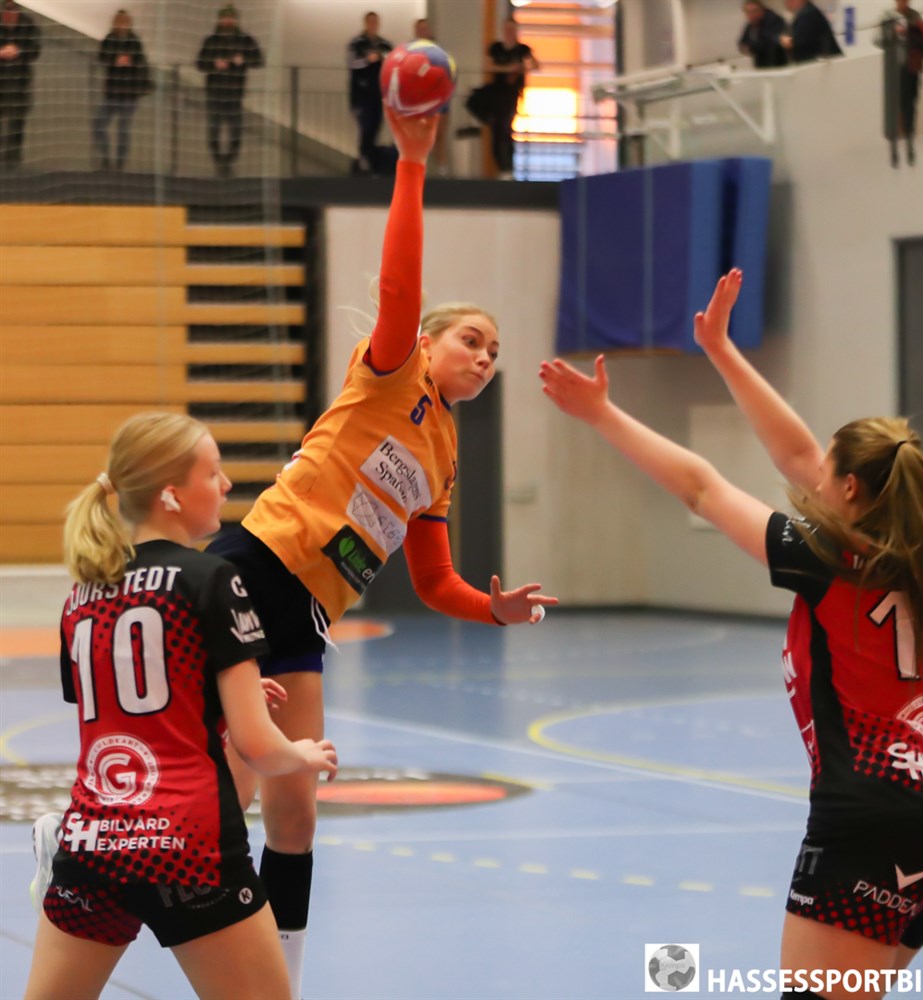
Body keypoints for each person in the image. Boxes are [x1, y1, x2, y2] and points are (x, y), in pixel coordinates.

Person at [540, 269, 923, 1000]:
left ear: (849, 489)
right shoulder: (919, 554)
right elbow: (799, 456)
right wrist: (720, 350)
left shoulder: (828, 559)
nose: (812, 474)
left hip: (870, 822)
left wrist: (602, 415)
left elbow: (702, 487)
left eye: (828, 472)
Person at [205, 108, 558, 997]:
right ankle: (91, 861)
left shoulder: (444, 458)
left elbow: (434, 582)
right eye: (471, 339)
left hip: (308, 612)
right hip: (255, 565)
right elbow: (399, 286)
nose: (485, 357)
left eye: (495, 352)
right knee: (236, 783)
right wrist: (410, 161)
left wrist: (494, 610)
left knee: (295, 809)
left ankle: (280, 975)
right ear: (429, 343)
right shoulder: (392, 370)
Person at [24, 412, 338, 1000]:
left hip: (94, 844)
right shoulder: (213, 579)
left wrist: (213, 698)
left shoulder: (83, 594)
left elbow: (127, 711)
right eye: (213, 473)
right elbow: (257, 747)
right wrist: (303, 753)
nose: (226, 485)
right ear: (171, 494)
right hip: (188, 852)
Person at [196, 4, 264, 178]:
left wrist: (244, 60)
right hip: (214, 92)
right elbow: (200, 63)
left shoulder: (245, 40)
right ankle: (219, 161)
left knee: (236, 131)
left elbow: (259, 60)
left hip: (235, 93)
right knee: (213, 130)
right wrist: (214, 63)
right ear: (220, 20)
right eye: (225, 18)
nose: (228, 21)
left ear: (235, 20)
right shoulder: (211, 40)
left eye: (231, 18)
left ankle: (229, 160)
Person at [876, 0, 923, 165]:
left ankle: (910, 133)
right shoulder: (887, 17)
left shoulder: (915, 16)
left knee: (911, 101)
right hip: (895, 67)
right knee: (898, 102)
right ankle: (898, 136)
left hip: (913, 65)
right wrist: (892, 34)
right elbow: (877, 39)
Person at [93, 9, 150, 172]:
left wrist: (130, 62)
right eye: (119, 22)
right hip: (111, 92)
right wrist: (115, 59)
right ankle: (105, 158)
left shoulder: (134, 41)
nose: (122, 25)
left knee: (123, 130)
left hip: (129, 93)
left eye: (124, 22)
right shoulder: (109, 39)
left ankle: (120, 164)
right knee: (99, 125)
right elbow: (102, 57)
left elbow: (141, 62)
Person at [484, 17, 539, 180]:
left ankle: (508, 166)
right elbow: (488, 66)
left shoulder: (522, 49)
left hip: (512, 95)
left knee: (506, 129)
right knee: (496, 131)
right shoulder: (496, 48)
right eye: (507, 29)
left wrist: (522, 68)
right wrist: (508, 68)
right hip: (496, 94)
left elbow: (535, 65)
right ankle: (500, 166)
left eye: (512, 29)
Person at [347, 10, 392, 175]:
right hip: (362, 94)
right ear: (365, 23)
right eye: (370, 22)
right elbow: (352, 63)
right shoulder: (357, 43)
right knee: (365, 127)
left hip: (379, 94)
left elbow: (392, 62)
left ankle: (371, 161)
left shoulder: (384, 44)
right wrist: (368, 59)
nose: (373, 25)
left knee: (375, 126)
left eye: (375, 22)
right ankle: (364, 158)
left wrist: (382, 58)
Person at [0, 0, 40, 170]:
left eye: (13, 11)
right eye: (7, 11)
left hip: (20, 82)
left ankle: (13, 161)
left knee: (17, 123)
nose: (10, 15)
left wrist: (19, 50)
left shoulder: (28, 24)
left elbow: (35, 49)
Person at [414, 16, 450, 175]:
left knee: (439, 134)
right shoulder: (411, 50)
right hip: (421, 98)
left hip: (439, 96)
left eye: (425, 29)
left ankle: (441, 168)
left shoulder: (437, 50)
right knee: (422, 135)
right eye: (420, 29)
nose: (423, 31)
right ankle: (421, 168)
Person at [738, 0, 789, 68]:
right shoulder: (751, 25)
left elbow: (771, 41)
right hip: (761, 64)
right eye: (748, 12)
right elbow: (743, 43)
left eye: (754, 11)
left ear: (762, 10)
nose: (752, 14)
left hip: (776, 64)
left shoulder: (774, 20)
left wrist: (752, 47)